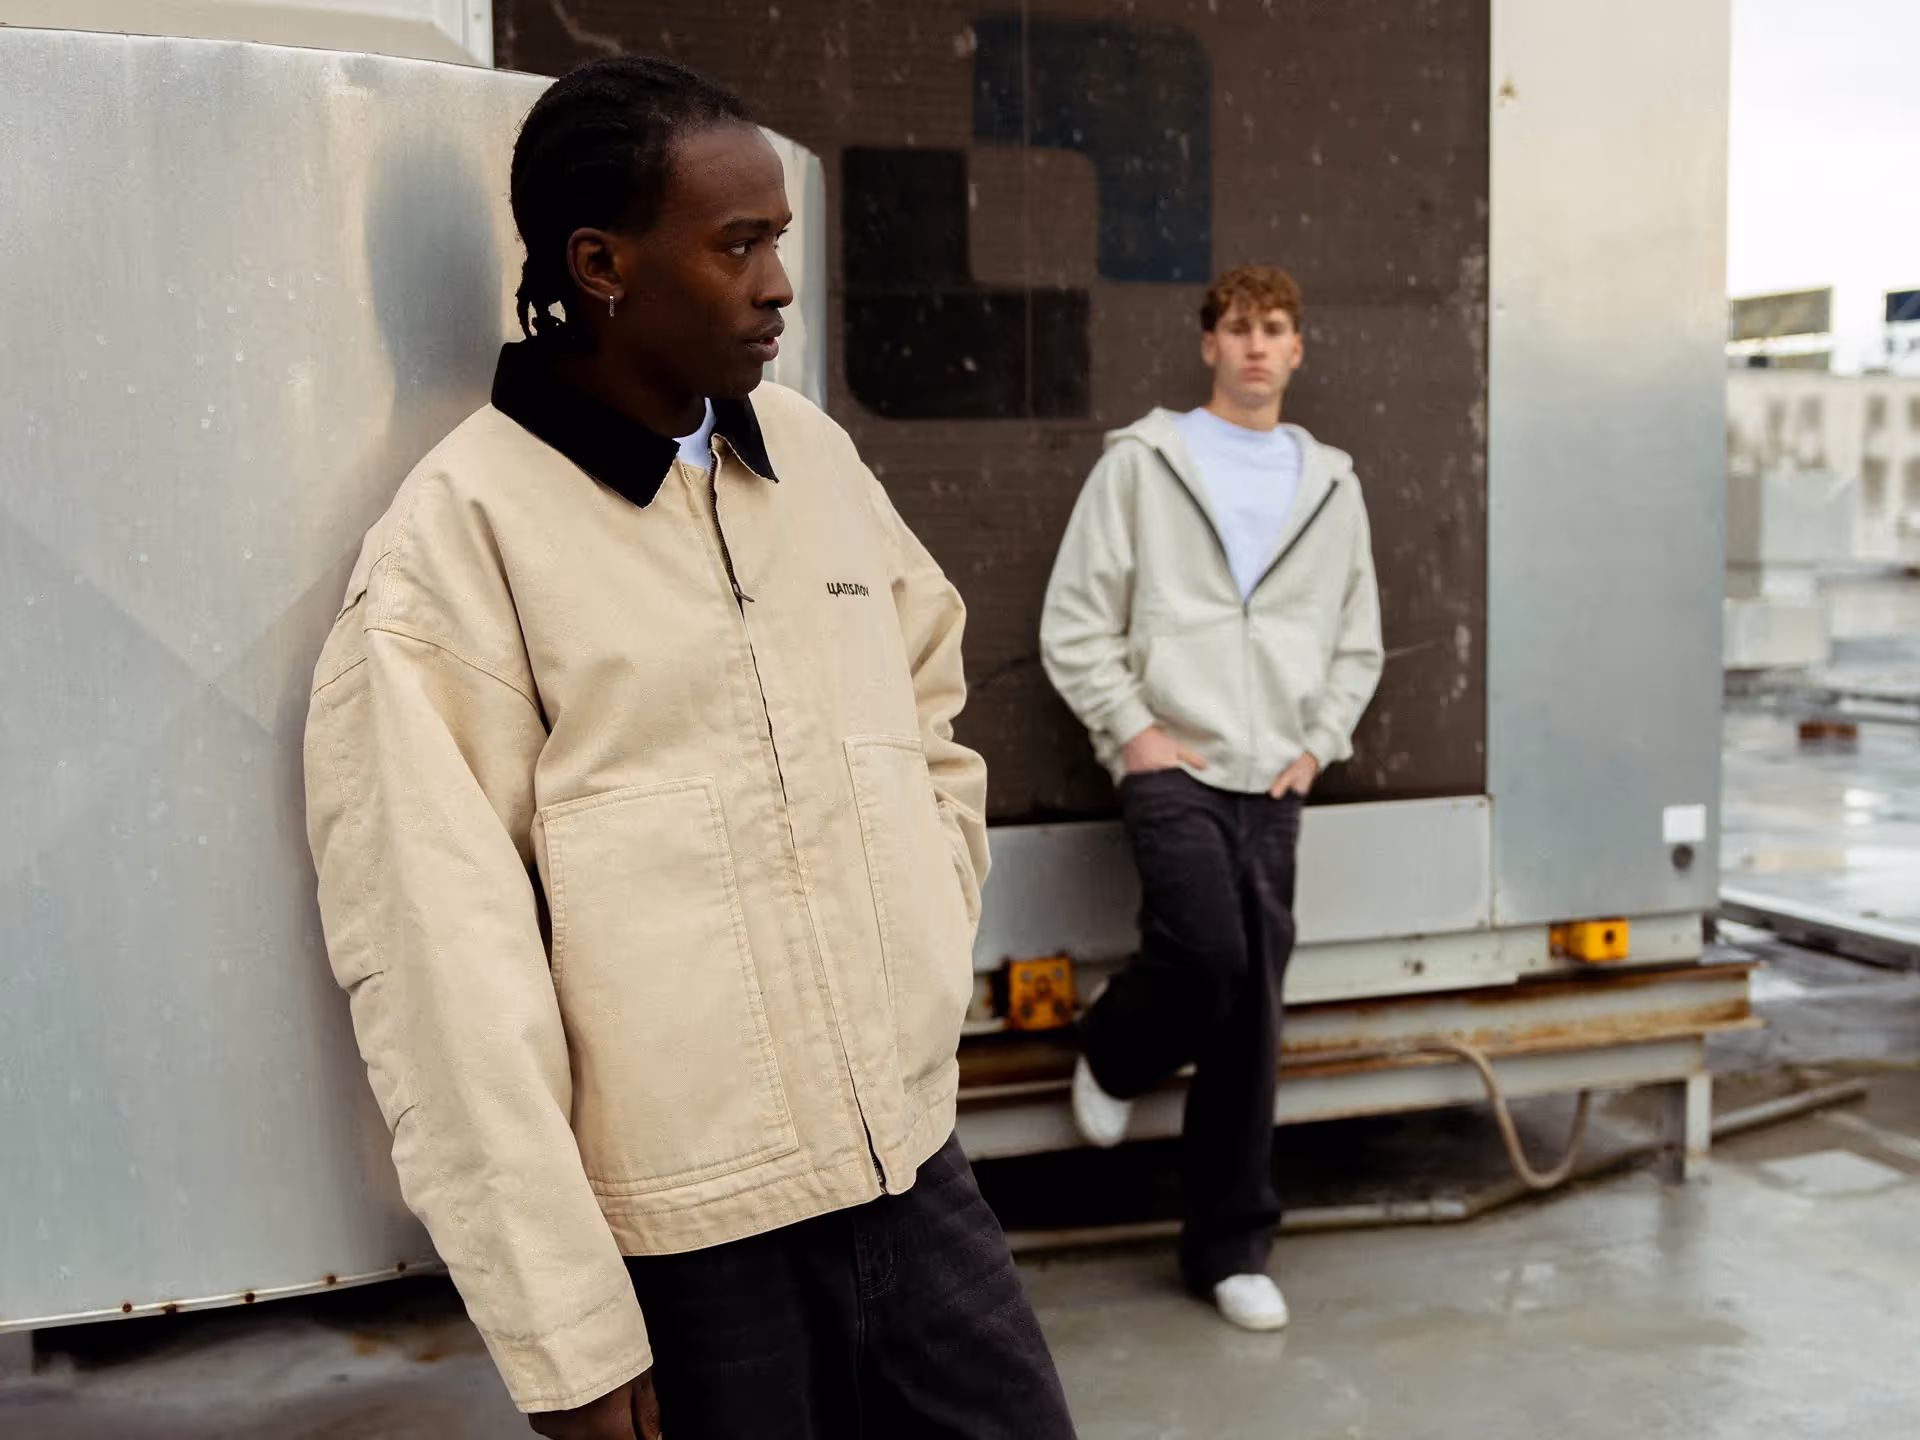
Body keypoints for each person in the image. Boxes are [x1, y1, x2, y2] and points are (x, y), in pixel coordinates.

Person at [304, 57, 1075, 1440]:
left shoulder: (814, 461)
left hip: (914, 1177)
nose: (779, 286)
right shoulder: (460, 541)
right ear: (601, 265)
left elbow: (925, 711)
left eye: (779, 239)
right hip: (695, 1251)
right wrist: (568, 1334)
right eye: (737, 246)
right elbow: (441, 977)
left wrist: (916, 940)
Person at [1038, 264, 1383, 1334]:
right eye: (1237, 328)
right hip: (1172, 762)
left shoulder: (1331, 482)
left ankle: (1229, 1252)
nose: (1255, 345)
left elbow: (1358, 639)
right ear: (1208, 345)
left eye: (1274, 328)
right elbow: (1075, 618)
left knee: (1251, 1011)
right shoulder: (1145, 464)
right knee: (1207, 957)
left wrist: (1318, 746)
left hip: (1274, 772)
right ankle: (1116, 1048)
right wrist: (1133, 732)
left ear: (1298, 347)